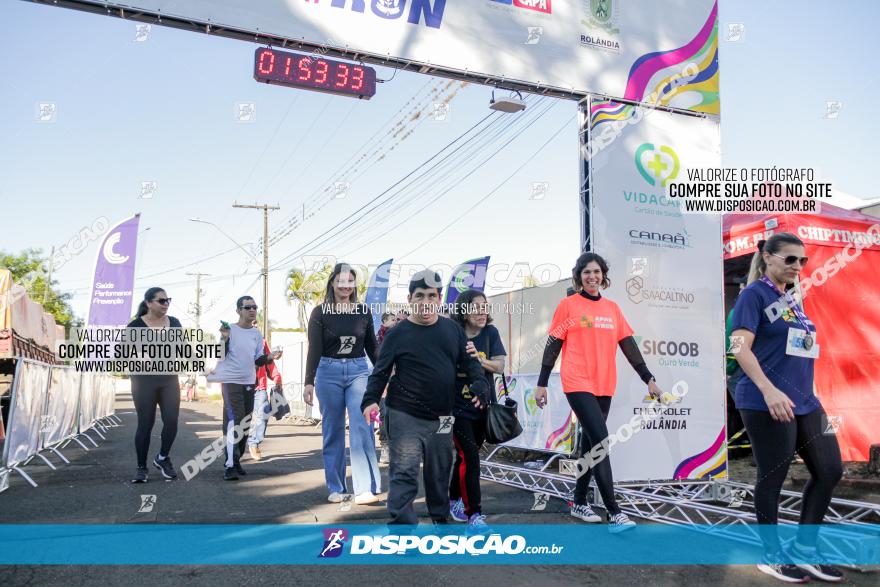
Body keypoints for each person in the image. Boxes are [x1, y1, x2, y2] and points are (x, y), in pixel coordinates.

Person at [731, 233, 843, 583]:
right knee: (773, 475)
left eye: (802, 261)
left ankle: (805, 550)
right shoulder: (753, 295)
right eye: (789, 259)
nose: (797, 266)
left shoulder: (793, 299)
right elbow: (739, 347)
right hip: (765, 399)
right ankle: (771, 554)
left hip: (805, 400)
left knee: (830, 470)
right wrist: (769, 390)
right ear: (767, 257)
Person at [534, 252, 663, 532]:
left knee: (591, 444)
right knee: (602, 443)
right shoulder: (568, 305)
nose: (592, 277)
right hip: (577, 380)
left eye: (596, 272)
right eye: (586, 272)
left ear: (603, 275)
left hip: (604, 383)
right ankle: (614, 512)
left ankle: (579, 500)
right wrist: (542, 382)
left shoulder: (612, 309)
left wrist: (648, 379)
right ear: (579, 277)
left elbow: (629, 346)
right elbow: (553, 344)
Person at [361, 270, 489, 525]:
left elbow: (469, 363)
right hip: (404, 413)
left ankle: (440, 519)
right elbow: (380, 371)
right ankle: (402, 527)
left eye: (431, 295)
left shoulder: (453, 330)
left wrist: (479, 384)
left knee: (440, 470)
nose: (425, 301)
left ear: (439, 299)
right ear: (410, 299)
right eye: (419, 295)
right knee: (405, 471)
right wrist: (370, 400)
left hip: (443, 415)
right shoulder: (397, 334)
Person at [303, 263, 381, 504]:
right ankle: (336, 487)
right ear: (332, 283)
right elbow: (314, 348)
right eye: (341, 281)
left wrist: (383, 375)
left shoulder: (363, 311)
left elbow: (372, 347)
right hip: (328, 372)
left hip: (358, 370)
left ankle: (364, 488)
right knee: (333, 429)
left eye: (350, 281)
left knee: (361, 425)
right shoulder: (320, 312)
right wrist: (308, 381)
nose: (346, 286)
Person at [448, 289, 506, 529]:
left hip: (484, 405)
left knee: (465, 458)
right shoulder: (452, 334)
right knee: (470, 458)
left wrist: (478, 359)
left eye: (484, 306)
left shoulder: (491, 333)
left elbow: (500, 366)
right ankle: (475, 515)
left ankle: (453, 498)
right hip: (457, 407)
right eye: (476, 307)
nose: (482, 312)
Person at [207, 296, 281, 481]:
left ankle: (237, 459)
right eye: (247, 307)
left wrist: (270, 356)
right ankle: (230, 465)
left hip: (249, 382)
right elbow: (220, 354)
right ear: (238, 311)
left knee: (245, 423)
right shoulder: (230, 330)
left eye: (254, 307)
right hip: (231, 382)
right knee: (235, 420)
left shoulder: (256, 334)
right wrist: (224, 339)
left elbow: (257, 360)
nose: (252, 310)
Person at [128, 287, 182, 483]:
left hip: (168, 379)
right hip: (144, 381)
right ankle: (141, 468)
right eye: (161, 301)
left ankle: (162, 458)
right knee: (145, 424)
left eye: (168, 300)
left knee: (172, 421)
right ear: (149, 303)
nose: (166, 303)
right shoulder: (135, 327)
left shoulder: (174, 323)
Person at [247, 339, 283, 461]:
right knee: (240, 420)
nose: (254, 323)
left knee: (264, 413)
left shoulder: (262, 342)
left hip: (259, 387)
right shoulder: (236, 336)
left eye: (256, 321)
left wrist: (276, 377)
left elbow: (269, 361)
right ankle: (236, 452)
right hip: (241, 386)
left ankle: (254, 443)